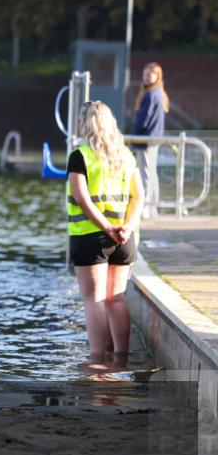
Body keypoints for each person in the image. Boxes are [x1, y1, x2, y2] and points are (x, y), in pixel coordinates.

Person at [67, 101, 143, 369]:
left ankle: (98, 363)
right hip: (124, 239)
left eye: (80, 120)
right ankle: (121, 359)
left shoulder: (81, 156)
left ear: (87, 124)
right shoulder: (126, 155)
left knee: (94, 298)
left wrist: (106, 228)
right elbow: (139, 197)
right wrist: (126, 226)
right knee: (116, 298)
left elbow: (83, 200)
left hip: (91, 237)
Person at [131, 62, 169, 219]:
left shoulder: (152, 95)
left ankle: (146, 207)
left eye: (149, 75)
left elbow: (144, 120)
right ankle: (153, 207)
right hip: (153, 139)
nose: (145, 77)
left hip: (146, 140)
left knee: (145, 173)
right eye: (144, 74)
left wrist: (132, 136)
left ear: (157, 76)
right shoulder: (159, 93)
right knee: (151, 173)